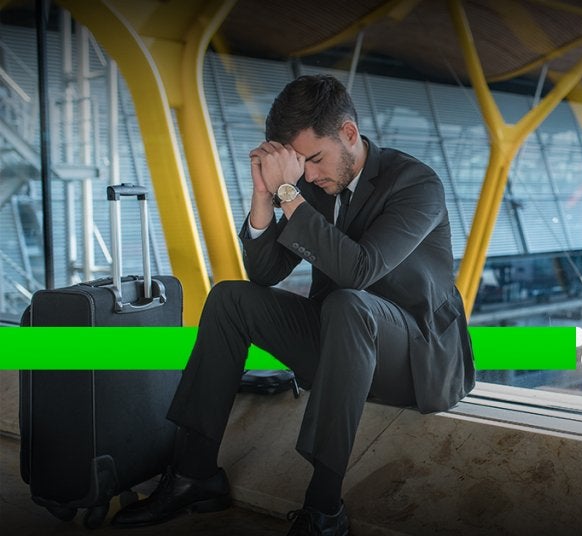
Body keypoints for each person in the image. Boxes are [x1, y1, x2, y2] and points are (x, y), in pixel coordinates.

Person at [110, 74, 476, 535]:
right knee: (229, 299)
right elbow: (264, 274)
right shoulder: (314, 187)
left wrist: (289, 194)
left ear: (347, 133)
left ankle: (324, 508)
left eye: (316, 159)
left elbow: (361, 271)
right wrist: (266, 194)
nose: (310, 175)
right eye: (298, 166)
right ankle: (193, 474)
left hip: (413, 358)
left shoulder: (416, 184)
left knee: (349, 303)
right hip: (339, 343)